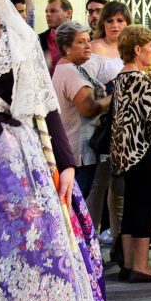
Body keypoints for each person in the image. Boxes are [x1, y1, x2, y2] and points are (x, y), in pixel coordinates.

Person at [0, 0, 114, 301]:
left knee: (33, 260)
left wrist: (65, 163)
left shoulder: (20, 38)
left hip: (19, 162)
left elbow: (45, 106)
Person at [110, 24, 151, 282]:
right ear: (137, 49)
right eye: (150, 48)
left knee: (131, 209)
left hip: (125, 155)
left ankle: (128, 265)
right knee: (144, 210)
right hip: (143, 153)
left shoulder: (120, 79)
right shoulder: (140, 80)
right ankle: (141, 266)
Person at [84, 1, 137, 248]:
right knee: (98, 185)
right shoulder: (93, 49)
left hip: (126, 129)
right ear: (102, 23)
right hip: (99, 126)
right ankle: (90, 238)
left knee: (120, 187)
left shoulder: (129, 49)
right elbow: (88, 95)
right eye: (110, 21)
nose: (115, 26)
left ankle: (118, 241)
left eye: (120, 21)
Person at [51, 21, 111, 201]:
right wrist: (114, 97)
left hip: (75, 149)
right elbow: (88, 108)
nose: (88, 46)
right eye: (81, 42)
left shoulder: (70, 68)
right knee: (76, 202)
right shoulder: (70, 72)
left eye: (88, 40)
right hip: (78, 152)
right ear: (66, 48)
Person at [39, 0, 73, 73]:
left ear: (68, 13)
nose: (48, 14)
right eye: (46, 12)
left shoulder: (83, 37)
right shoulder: (39, 40)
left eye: (53, 11)